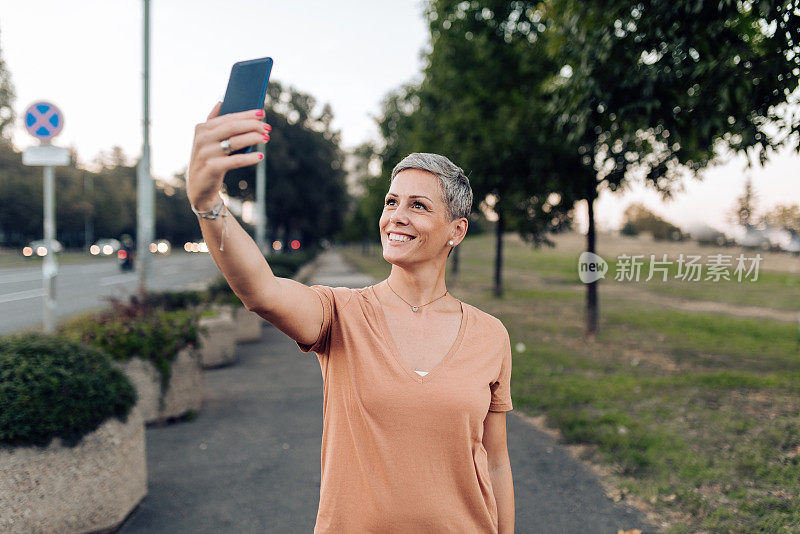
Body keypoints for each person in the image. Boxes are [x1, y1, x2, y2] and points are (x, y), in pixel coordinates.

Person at [187, 103, 515, 533]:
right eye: (391, 201)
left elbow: (494, 463)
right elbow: (261, 291)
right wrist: (209, 203)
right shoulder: (340, 314)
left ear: (456, 230)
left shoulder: (490, 336)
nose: (396, 216)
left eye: (418, 206)